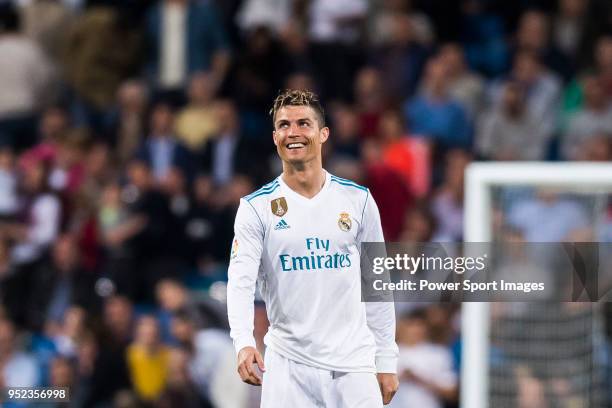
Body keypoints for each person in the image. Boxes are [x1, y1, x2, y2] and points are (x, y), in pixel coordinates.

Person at [227, 89, 399, 407]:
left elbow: (378, 284)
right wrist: (243, 341)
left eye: (303, 123)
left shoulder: (358, 201)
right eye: (283, 125)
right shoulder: (255, 207)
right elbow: (240, 282)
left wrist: (386, 357)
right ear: (274, 136)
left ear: (323, 134)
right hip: (288, 365)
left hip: (354, 365)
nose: (293, 132)